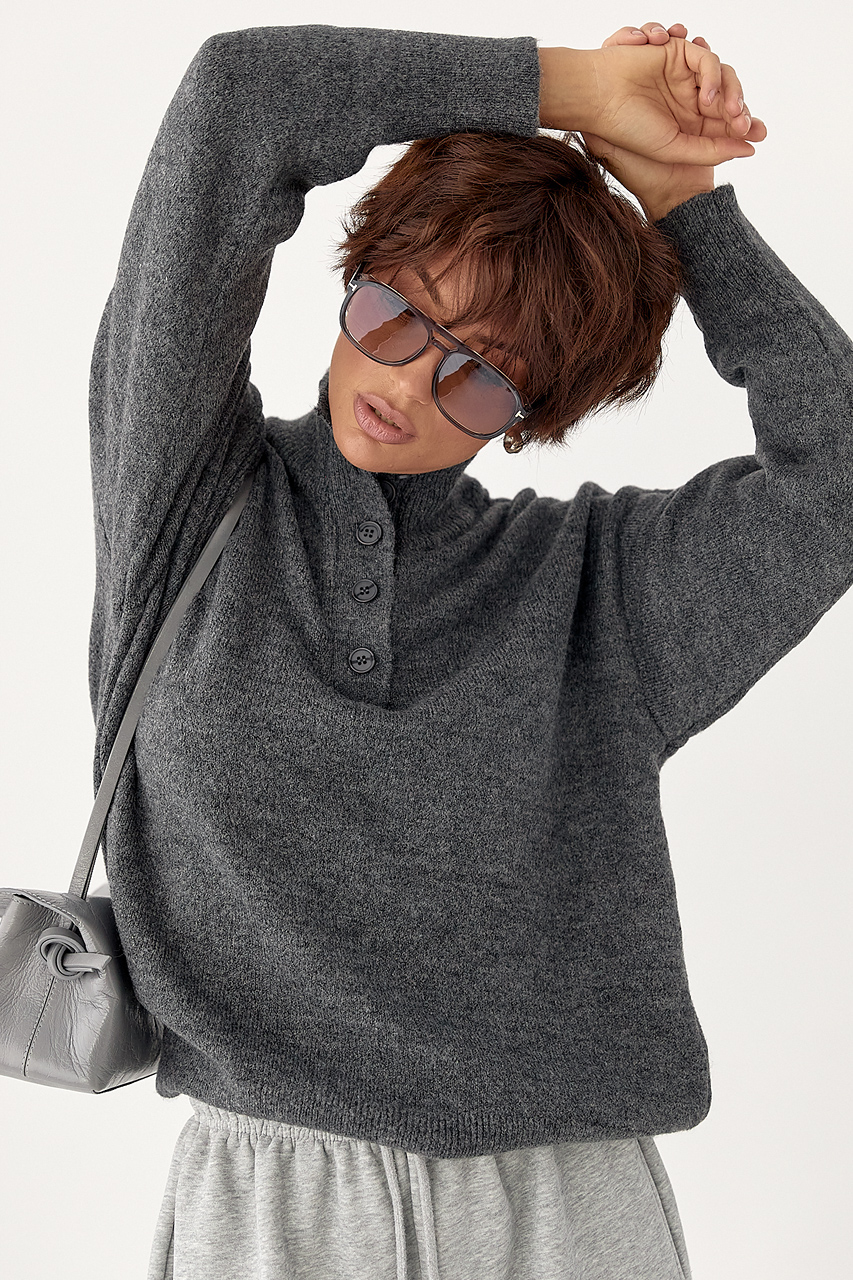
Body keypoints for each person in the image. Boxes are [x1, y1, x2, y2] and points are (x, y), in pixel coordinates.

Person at [83, 14, 851, 1280]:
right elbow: (238, 99)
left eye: (481, 373)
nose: (406, 382)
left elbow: (836, 480)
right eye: (396, 311)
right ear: (357, 274)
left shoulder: (594, 591)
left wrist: (685, 208)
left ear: (529, 415)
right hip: (272, 1204)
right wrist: (577, 90)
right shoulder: (185, 498)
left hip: (560, 1205)